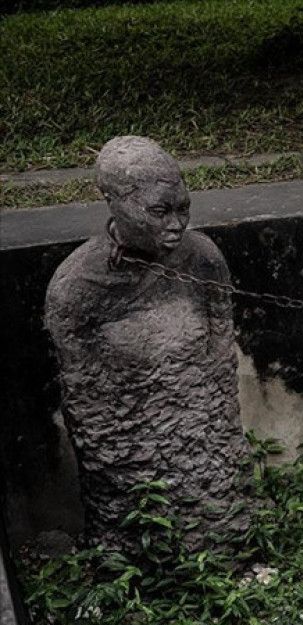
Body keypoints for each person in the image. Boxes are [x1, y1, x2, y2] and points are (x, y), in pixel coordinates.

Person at [44, 136, 252, 553]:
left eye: (182, 208)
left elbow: (220, 360)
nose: (176, 224)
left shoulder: (203, 259)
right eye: (159, 211)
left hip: (205, 438)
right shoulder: (75, 287)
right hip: (130, 453)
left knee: (217, 525)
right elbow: (85, 400)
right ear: (115, 203)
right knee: (142, 539)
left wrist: (210, 435)